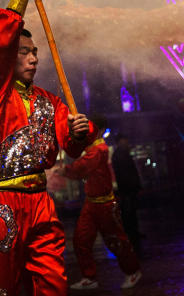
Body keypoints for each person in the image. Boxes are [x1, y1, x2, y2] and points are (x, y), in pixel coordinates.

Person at [0, 0, 91, 295]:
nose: (33, 58)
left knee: (54, 283)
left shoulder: (51, 101)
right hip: (0, 203)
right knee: (0, 288)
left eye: (35, 52)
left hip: (40, 203)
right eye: (23, 52)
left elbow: (71, 145)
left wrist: (80, 132)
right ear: (9, 58)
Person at [64, 116, 142, 290]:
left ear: (96, 130)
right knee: (80, 240)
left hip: (105, 204)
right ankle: (89, 276)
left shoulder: (99, 149)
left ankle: (133, 270)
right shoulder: (91, 148)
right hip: (90, 203)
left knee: (116, 241)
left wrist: (63, 170)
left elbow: (81, 167)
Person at [111, 134, 142, 252]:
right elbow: (127, 174)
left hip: (126, 189)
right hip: (127, 189)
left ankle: (132, 234)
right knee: (129, 213)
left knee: (129, 213)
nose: (127, 142)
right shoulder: (121, 154)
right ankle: (132, 235)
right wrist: (134, 185)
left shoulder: (120, 154)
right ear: (120, 141)